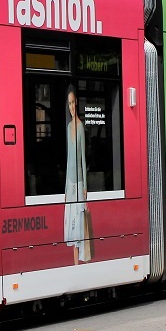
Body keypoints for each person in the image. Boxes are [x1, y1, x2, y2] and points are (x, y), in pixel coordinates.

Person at [63, 87, 92, 264]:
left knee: (80, 224)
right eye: (69, 103)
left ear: (77, 103)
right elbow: (69, 159)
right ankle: (75, 266)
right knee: (72, 224)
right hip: (70, 183)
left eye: (73, 102)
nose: (71, 106)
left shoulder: (80, 127)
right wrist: (66, 187)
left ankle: (82, 263)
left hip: (79, 182)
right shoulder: (68, 127)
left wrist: (85, 186)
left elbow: (82, 158)